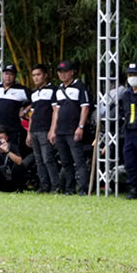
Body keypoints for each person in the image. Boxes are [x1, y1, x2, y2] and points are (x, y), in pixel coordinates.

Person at [51, 60, 93, 195]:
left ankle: (83, 189)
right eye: (60, 72)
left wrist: (80, 127)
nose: (62, 75)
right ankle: (69, 188)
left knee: (79, 160)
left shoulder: (80, 87)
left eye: (65, 72)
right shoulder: (59, 90)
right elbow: (56, 111)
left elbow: (85, 108)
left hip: (73, 129)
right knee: (65, 161)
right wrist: (53, 130)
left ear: (71, 72)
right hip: (61, 131)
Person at [113, 63, 137, 198]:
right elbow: (123, 111)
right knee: (130, 162)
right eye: (130, 75)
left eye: (135, 75)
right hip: (129, 130)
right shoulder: (125, 94)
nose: (132, 78)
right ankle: (133, 188)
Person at [25, 64, 60, 193]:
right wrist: (29, 132)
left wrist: (52, 130)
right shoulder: (34, 94)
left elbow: (55, 111)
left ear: (45, 75)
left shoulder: (53, 90)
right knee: (38, 160)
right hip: (34, 130)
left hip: (45, 129)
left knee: (48, 159)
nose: (36, 78)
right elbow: (32, 114)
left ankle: (55, 186)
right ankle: (44, 186)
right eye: (33, 75)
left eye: (38, 75)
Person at [0, 69, 29, 155]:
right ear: (2, 75)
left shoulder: (22, 89)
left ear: (14, 76)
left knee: (13, 152)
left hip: (13, 129)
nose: (8, 76)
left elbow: (36, 100)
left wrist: (25, 111)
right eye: (6, 74)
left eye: (11, 74)